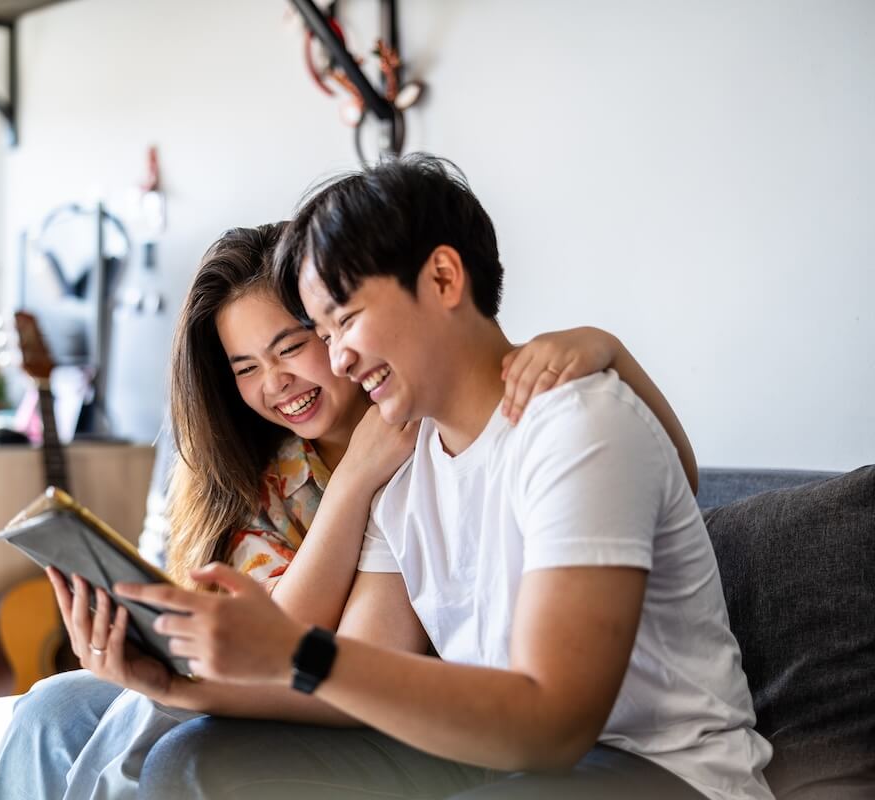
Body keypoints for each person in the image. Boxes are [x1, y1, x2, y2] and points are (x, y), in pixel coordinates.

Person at [114, 156, 773, 800]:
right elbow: (362, 672)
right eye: (320, 331)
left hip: (657, 770)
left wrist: (296, 649)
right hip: (495, 761)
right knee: (192, 763)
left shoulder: (577, 426)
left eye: (343, 320)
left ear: (443, 278)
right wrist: (179, 688)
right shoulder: (401, 462)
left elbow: (557, 727)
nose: (337, 357)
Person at [0, 220, 702, 799]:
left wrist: (610, 351)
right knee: (52, 710)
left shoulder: (436, 435)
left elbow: (664, 477)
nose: (277, 383)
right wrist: (159, 665)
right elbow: (263, 648)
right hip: (314, 686)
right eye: (245, 369)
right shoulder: (271, 475)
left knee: (164, 734)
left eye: (295, 345)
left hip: (383, 703)